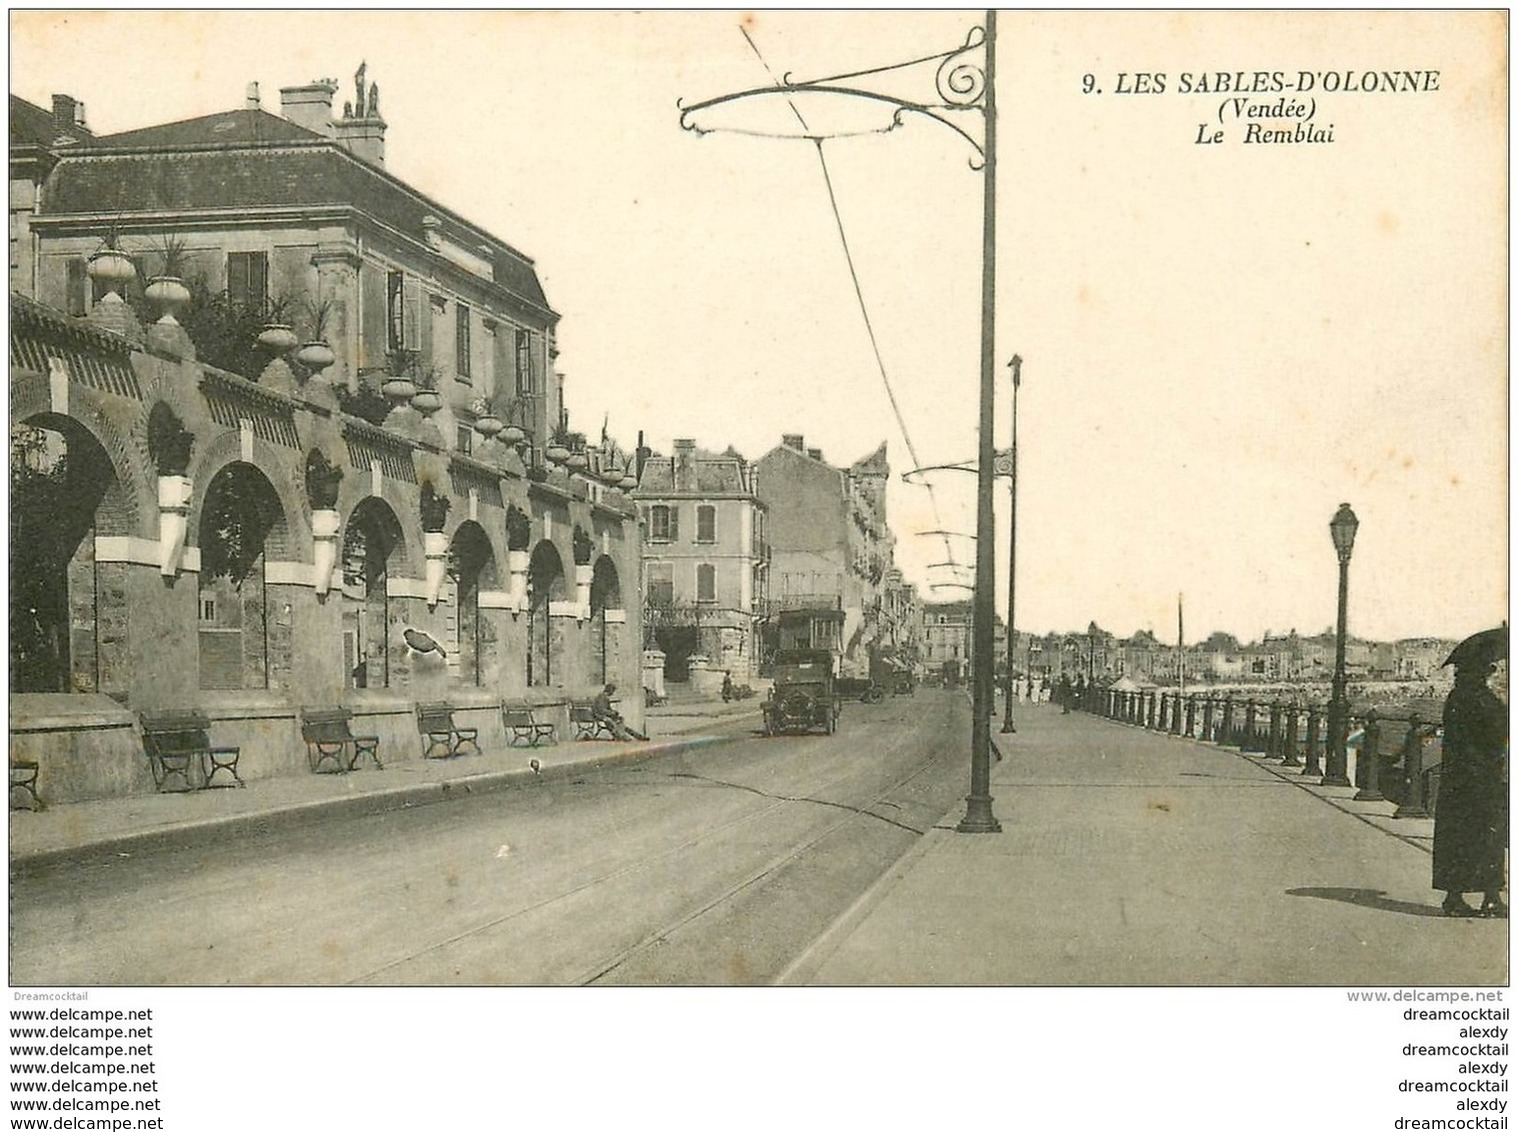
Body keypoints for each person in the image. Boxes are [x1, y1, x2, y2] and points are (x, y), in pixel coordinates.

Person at [1432, 660, 1508, 917]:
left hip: (1456, 778)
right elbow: (1501, 730)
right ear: (1481, 675)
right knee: (1489, 836)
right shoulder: (1483, 699)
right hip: (1483, 777)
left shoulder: (1455, 697)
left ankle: (1453, 897)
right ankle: (1491, 897)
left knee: (1457, 837)